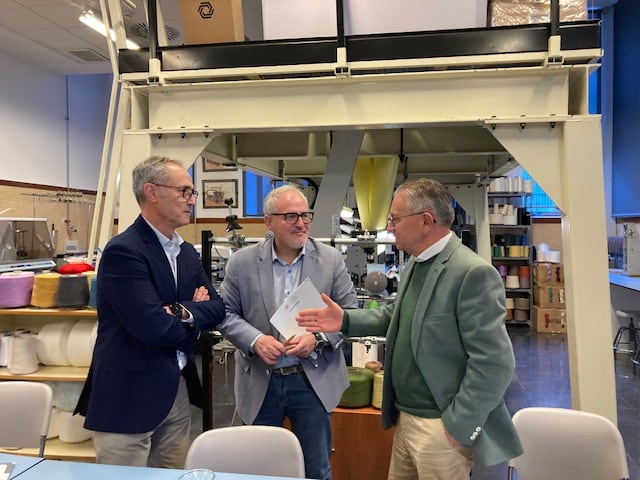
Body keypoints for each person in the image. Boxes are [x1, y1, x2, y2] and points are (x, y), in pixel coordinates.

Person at [297, 178, 523, 480]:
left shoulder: (471, 273)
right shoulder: (417, 264)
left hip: (440, 426)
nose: (391, 226)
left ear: (426, 221)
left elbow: (495, 363)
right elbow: (395, 316)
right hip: (407, 418)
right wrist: (345, 321)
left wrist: (458, 425)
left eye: (396, 218)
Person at [74, 156, 226, 468]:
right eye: (184, 192)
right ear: (152, 192)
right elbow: (153, 327)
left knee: (171, 473)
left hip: (176, 389)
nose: (191, 201)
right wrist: (194, 314)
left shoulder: (184, 252)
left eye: (192, 193)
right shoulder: (124, 251)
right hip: (128, 396)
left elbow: (217, 308)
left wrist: (181, 311)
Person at [218, 184, 357, 480]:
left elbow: (350, 315)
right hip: (260, 383)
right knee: (259, 469)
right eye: (291, 216)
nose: (302, 223)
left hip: (312, 382)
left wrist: (316, 339)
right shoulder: (242, 263)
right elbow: (224, 313)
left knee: (316, 468)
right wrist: (255, 340)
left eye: (305, 215)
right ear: (269, 222)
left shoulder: (330, 260)